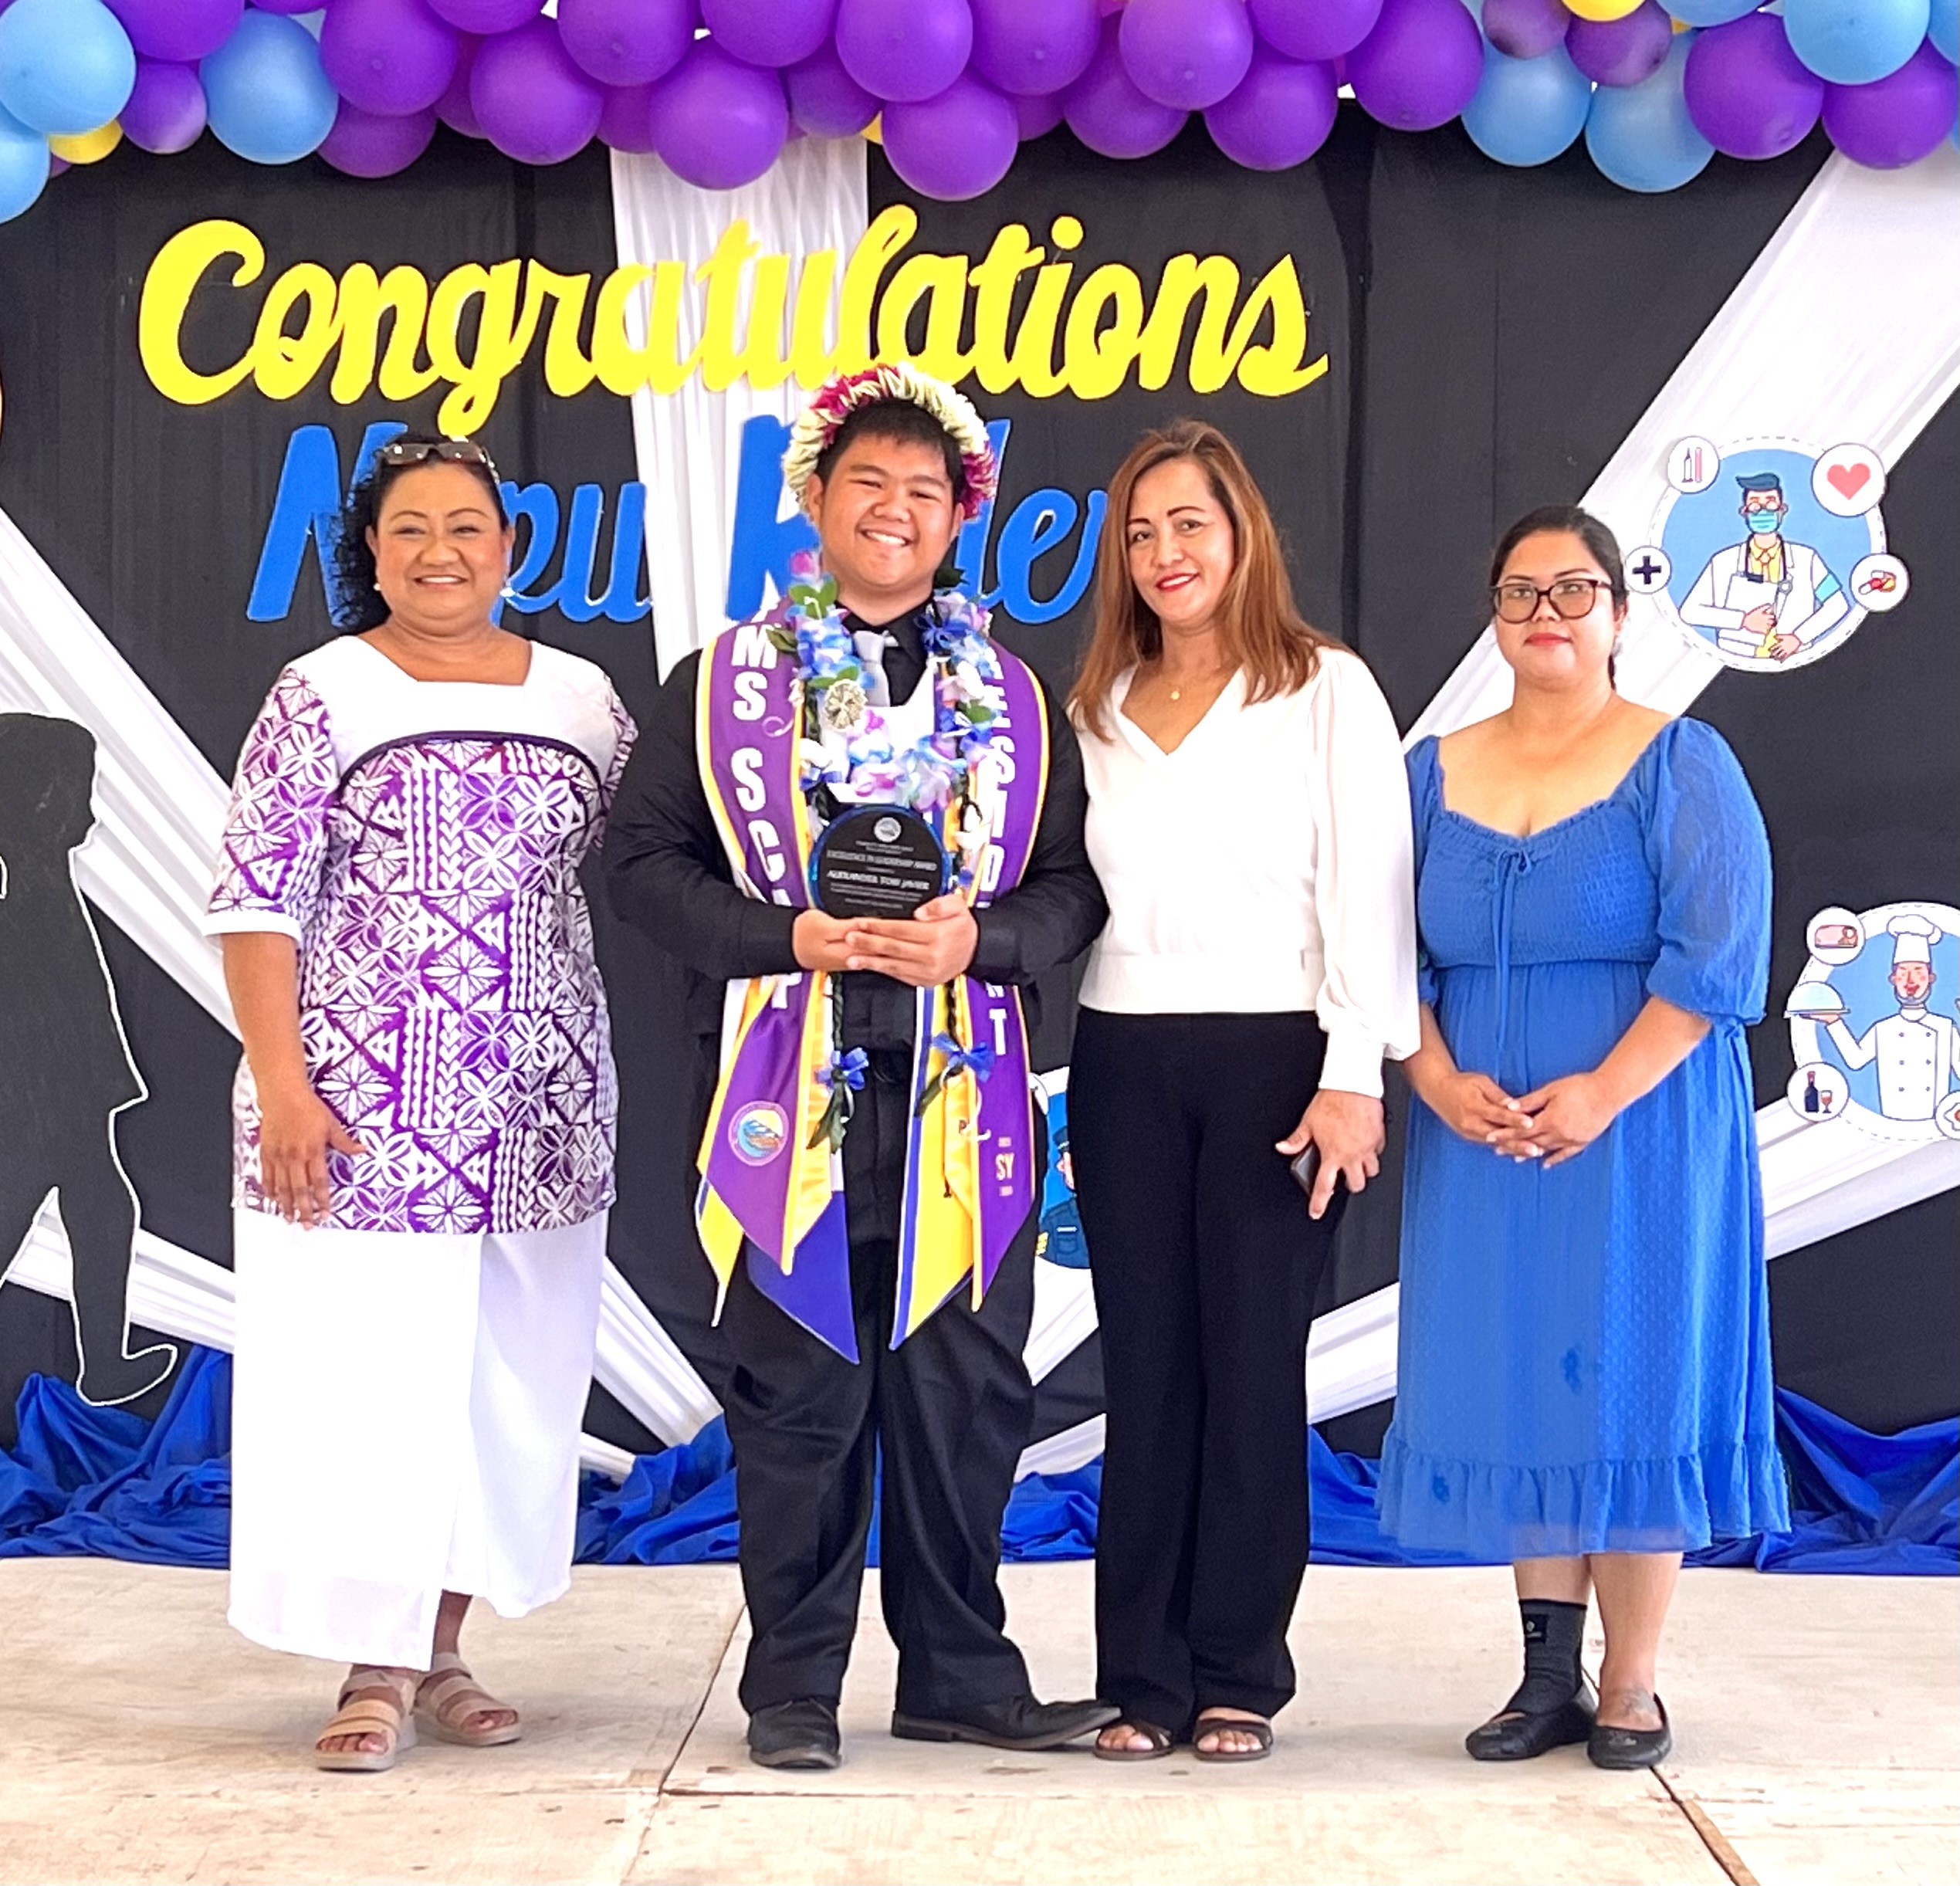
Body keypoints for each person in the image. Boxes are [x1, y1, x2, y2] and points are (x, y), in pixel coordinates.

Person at [607, 366, 1113, 1773]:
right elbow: (637, 863)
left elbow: (1072, 887)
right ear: (816, 502)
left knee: (967, 1394)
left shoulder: (1015, 699)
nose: (893, 510)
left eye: (922, 491)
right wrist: (784, 936)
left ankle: (960, 1675)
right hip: (785, 1090)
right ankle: (794, 1686)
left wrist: (980, 940)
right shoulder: (721, 684)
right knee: (798, 1394)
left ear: (956, 519)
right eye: (867, 483)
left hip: (965, 1097)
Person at [205, 432, 635, 1773]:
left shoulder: (584, 700)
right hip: (357, 1104)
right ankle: (372, 1663)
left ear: (508, 548)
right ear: (372, 554)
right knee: (368, 1385)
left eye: (465, 526)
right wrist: (284, 1083)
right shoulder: (322, 690)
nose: (439, 550)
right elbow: (256, 896)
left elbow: (648, 859)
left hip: (539, 1107)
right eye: (408, 528)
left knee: (502, 1385)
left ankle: (442, 1646)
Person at [1378, 504, 1789, 1769]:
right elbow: (1383, 954)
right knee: (1521, 1366)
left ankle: (1629, 1678)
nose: (1543, 613)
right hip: (1481, 1129)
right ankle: (1543, 1673)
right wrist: (1434, 1079)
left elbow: (1715, 957)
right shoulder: (1428, 769)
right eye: (1518, 592)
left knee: (1628, 1368)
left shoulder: (1680, 760)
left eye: (1570, 590)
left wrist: (1602, 1091)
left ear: (1616, 610)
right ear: (1492, 615)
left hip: (1641, 1125)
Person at [1065, 420, 1419, 1763]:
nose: (1164, 552)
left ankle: (1234, 1673)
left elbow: (1369, 887)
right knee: (1146, 1371)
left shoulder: (1323, 685)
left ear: (1240, 533)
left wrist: (1350, 1071)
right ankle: (1139, 1677)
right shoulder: (1094, 705)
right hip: (1122, 1055)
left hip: (1280, 1055)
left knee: (1251, 1365)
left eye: (1188, 524)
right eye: (1139, 532)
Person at [0, 713, 177, 1406]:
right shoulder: (20, 892)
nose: (89, 815)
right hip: (41, 1077)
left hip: (59, 1075)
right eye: (75, 794)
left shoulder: (39, 882)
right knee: (53, 1196)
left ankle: (104, 1361)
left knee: (98, 1198)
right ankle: (103, 1361)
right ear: (36, 799)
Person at [1678, 471, 1847, 662]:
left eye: (1771, 503)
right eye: (1755, 505)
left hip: (1795, 660)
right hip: (1737, 658)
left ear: (1782, 509)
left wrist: (1799, 638)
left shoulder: (1807, 559)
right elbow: (1689, 611)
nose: (1763, 510)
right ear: (1744, 512)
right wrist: (1742, 621)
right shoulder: (1723, 562)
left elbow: (1838, 604)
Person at [1824, 914, 1958, 1122]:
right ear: (1893, 979)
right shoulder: (1883, 1028)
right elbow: (1855, 1060)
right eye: (1903, 972)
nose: (1910, 980)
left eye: (1918, 971)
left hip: (1936, 1124)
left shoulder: (1945, 1027)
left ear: (1931, 978)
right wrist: (1833, 1021)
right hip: (1889, 1121)